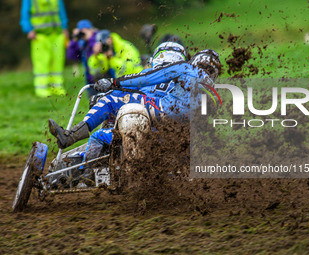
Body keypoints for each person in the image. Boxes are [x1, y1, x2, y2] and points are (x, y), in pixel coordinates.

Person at [48, 49, 221, 151]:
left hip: (163, 111)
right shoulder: (216, 93)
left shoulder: (185, 68)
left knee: (113, 99)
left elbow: (147, 79)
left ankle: (71, 135)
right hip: (183, 134)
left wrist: (114, 82)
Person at [20, 0, 68, 98]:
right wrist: (28, 29)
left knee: (57, 62)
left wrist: (64, 27)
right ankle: (41, 88)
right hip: (39, 35)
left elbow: (61, 11)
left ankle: (57, 87)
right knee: (42, 62)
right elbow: (24, 14)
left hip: (57, 34)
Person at [66, 19, 98, 96]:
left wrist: (90, 37)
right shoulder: (82, 43)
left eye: (86, 30)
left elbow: (96, 48)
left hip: (102, 76)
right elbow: (71, 56)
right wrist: (74, 39)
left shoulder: (98, 37)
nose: (84, 33)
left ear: (91, 29)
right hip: (89, 79)